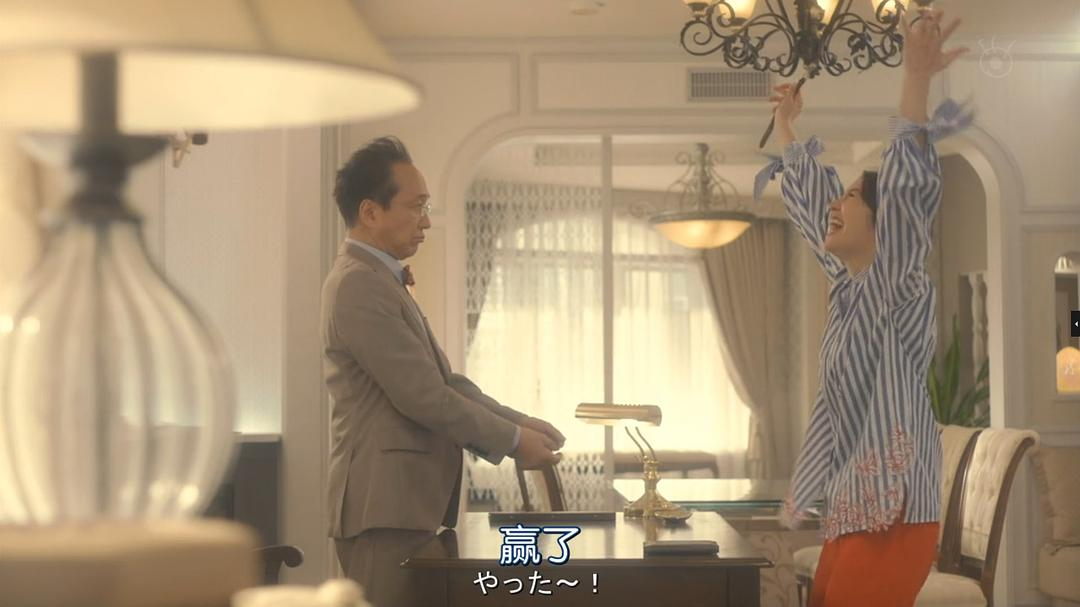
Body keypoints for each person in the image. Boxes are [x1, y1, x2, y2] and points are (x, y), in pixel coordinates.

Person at [754, 9, 972, 607]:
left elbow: (905, 194)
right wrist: (786, 127)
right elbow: (811, 211)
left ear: (884, 225)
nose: (836, 203)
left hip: (895, 508)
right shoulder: (850, 289)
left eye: (851, 196)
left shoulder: (897, 281)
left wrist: (916, 78)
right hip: (857, 503)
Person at [322, 136, 566, 607]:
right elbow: (423, 396)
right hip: (382, 507)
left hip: (400, 506)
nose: (427, 221)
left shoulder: (379, 280)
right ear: (370, 212)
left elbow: (446, 382)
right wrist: (514, 441)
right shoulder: (358, 285)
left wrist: (519, 423)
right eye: (416, 207)